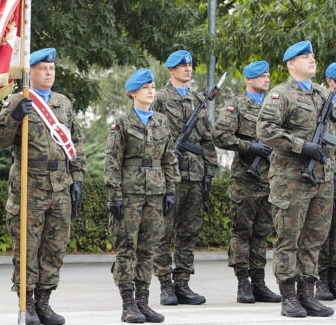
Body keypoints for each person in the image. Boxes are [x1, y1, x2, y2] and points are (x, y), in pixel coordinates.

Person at [0, 48, 85, 325]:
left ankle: (45, 302)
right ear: (30, 72)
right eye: (43, 68)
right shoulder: (18, 100)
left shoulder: (63, 103)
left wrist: (77, 179)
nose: (48, 73)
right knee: (27, 248)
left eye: (51, 69)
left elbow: (75, 144)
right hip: (29, 185)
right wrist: (14, 116)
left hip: (60, 185)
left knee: (55, 248)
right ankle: (27, 303)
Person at [257, 40, 335, 317]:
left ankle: (308, 294)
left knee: (314, 238)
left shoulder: (323, 94)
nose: (312, 60)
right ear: (291, 64)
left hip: (322, 177)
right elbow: (265, 129)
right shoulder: (281, 95)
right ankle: (288, 296)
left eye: (313, 56)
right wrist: (302, 146)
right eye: (305, 57)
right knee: (289, 239)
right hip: (291, 178)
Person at [104, 68, 179, 323]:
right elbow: (112, 161)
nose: (151, 91)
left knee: (148, 248)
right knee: (127, 248)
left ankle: (143, 302)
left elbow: (169, 158)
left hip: (155, 193)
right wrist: (114, 194)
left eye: (153, 86)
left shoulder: (161, 121)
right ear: (133, 93)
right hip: (130, 194)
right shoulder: (122, 123)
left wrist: (170, 190)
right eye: (145, 87)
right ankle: (127, 303)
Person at [211, 60, 281, 304]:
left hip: (269, 179)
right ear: (249, 80)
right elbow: (219, 135)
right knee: (242, 232)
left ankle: (259, 282)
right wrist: (249, 146)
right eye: (261, 76)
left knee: (262, 232)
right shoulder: (237, 105)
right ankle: (243, 283)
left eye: (268, 75)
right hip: (245, 180)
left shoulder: (275, 105)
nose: (267, 79)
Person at [152, 50, 218, 306]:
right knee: (163, 231)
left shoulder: (198, 99)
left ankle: (183, 283)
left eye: (190, 65)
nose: (187, 69)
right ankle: (165, 284)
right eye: (182, 66)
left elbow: (207, 139)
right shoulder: (158, 98)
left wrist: (210, 171)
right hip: (169, 176)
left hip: (195, 174)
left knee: (189, 231)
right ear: (170, 70)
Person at [317, 62, 336, 301]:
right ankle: (321, 278)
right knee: (322, 229)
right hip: (325, 173)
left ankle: (333, 276)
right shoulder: (321, 104)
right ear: (331, 81)